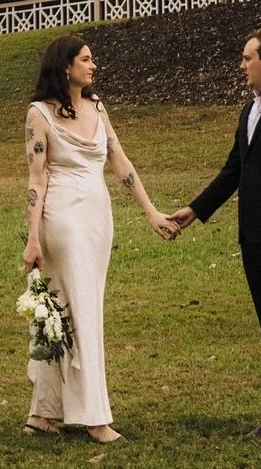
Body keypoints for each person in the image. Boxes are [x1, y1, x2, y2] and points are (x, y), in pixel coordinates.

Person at [23, 34, 179, 442]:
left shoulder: (97, 106)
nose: (93, 66)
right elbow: (36, 178)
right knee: (79, 309)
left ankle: (43, 412)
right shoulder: (39, 114)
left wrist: (151, 212)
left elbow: (119, 160)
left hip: (97, 215)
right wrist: (32, 238)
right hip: (61, 216)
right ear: (65, 67)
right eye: (86, 60)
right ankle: (94, 417)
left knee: (64, 310)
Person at [171, 30, 261, 442]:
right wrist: (195, 209)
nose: (242, 65)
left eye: (246, 57)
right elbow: (234, 170)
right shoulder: (250, 110)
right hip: (252, 235)